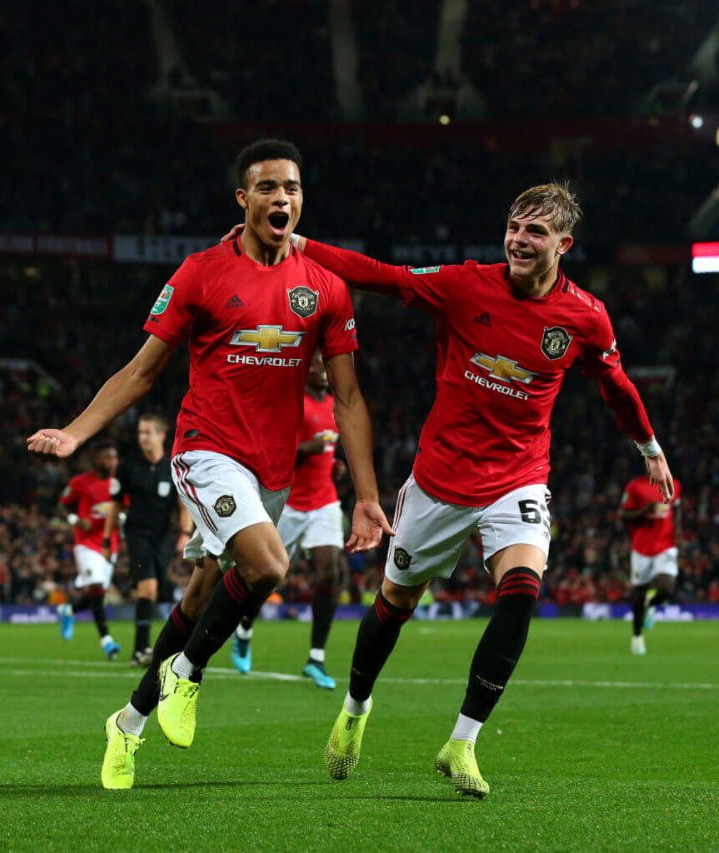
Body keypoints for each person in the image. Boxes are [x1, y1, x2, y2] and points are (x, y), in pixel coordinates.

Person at [256, 182, 674, 798]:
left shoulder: (586, 316)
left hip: (518, 478)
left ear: (564, 244)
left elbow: (615, 385)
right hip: (440, 480)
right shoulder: (464, 284)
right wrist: (298, 244)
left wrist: (649, 447)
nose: (519, 240)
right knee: (394, 604)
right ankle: (355, 708)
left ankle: (463, 742)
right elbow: (383, 277)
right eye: (514, 227)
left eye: (535, 232)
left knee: (521, 593)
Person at [25, 139, 391, 791]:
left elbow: (348, 397)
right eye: (268, 187)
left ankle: (127, 724)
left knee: (199, 597)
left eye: (292, 188)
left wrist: (366, 495)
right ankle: (186, 672)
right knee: (269, 564)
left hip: (272, 471)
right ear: (243, 199)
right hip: (207, 449)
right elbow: (141, 372)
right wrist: (76, 432)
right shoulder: (201, 272)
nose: (282, 198)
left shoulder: (325, 286)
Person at [231, 352, 346, 689]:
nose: (323, 370)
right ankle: (244, 628)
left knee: (330, 572)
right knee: (267, 577)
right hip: (289, 504)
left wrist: (335, 466)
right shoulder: (293, 404)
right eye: (316, 364)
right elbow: (270, 449)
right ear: (304, 369)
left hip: (324, 502)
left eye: (325, 364)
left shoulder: (336, 406)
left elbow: (328, 452)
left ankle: (316, 659)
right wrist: (305, 448)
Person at [110, 412, 194, 666]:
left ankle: (147, 648)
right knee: (147, 588)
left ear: (161, 435)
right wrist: (106, 539)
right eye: (140, 432)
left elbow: (183, 504)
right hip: (137, 533)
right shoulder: (128, 466)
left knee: (155, 590)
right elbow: (115, 505)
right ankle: (141, 650)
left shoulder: (173, 466)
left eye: (147, 432)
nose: (142, 437)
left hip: (164, 536)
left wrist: (185, 534)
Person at [57, 439, 122, 659]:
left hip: (109, 544)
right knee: (96, 587)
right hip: (86, 543)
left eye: (114, 457)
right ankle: (107, 641)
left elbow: (125, 508)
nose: (112, 461)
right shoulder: (80, 482)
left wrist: (122, 518)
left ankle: (68, 611)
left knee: (98, 594)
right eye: (107, 457)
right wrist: (75, 519)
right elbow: (62, 505)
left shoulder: (118, 484)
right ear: (97, 460)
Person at [620, 471, 681, 655]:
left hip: (666, 544)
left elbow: (677, 510)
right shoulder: (635, 486)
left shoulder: (674, 483)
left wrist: (679, 533)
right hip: (642, 547)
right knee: (639, 593)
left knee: (666, 587)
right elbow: (624, 514)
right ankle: (637, 637)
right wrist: (645, 511)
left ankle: (651, 604)